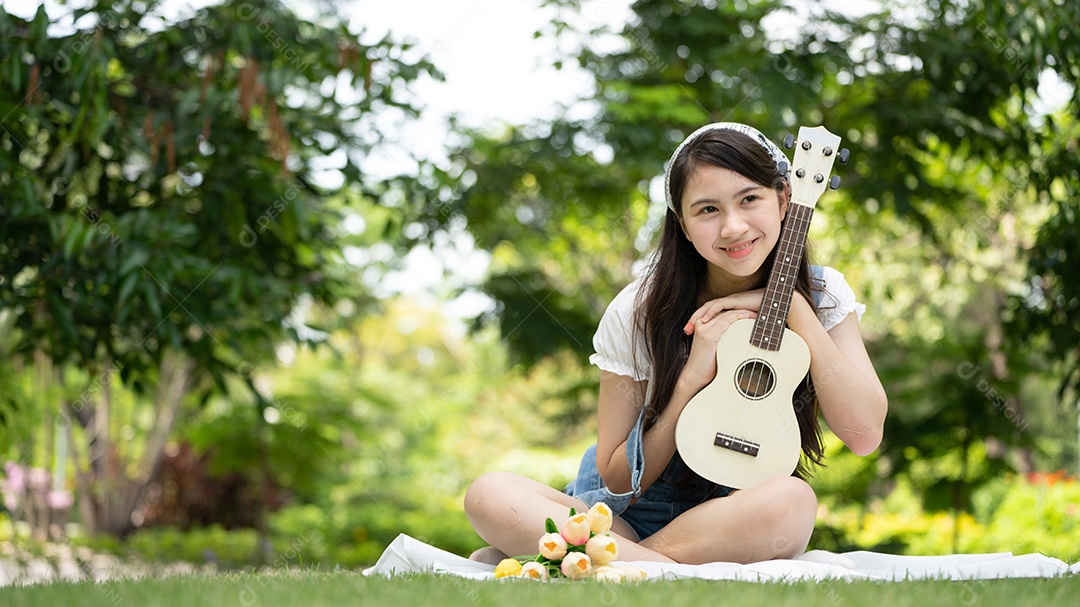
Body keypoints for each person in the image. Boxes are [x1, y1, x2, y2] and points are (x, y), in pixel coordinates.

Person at [464, 122, 888, 565]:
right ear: (683, 226)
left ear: (784, 199)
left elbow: (863, 435)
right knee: (489, 494)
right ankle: (649, 568)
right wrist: (689, 380)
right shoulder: (638, 310)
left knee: (793, 502)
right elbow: (614, 481)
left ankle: (601, 562)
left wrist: (797, 311)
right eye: (707, 210)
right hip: (625, 516)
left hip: (731, 521)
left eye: (749, 199)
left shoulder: (822, 296)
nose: (733, 227)